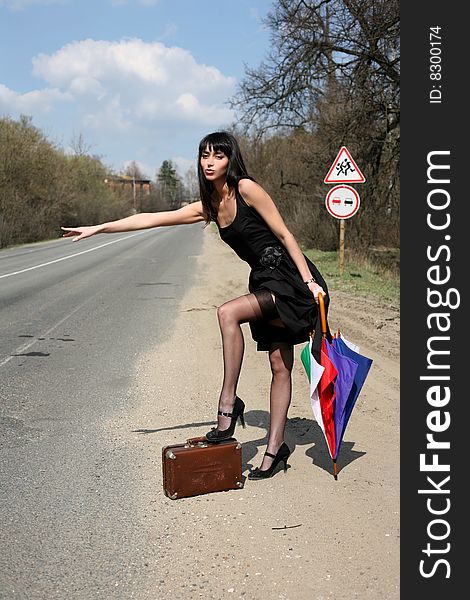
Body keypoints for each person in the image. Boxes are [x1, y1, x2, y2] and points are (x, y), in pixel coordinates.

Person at [62, 131, 329, 480]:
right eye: (204, 155)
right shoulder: (209, 207)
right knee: (279, 362)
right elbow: (151, 218)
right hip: (264, 282)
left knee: (228, 312)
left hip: (292, 280)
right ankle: (275, 448)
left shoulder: (247, 188)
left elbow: (285, 235)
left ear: (229, 160)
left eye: (217, 156)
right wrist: (98, 228)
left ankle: (228, 405)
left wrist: (309, 281)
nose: (209, 162)